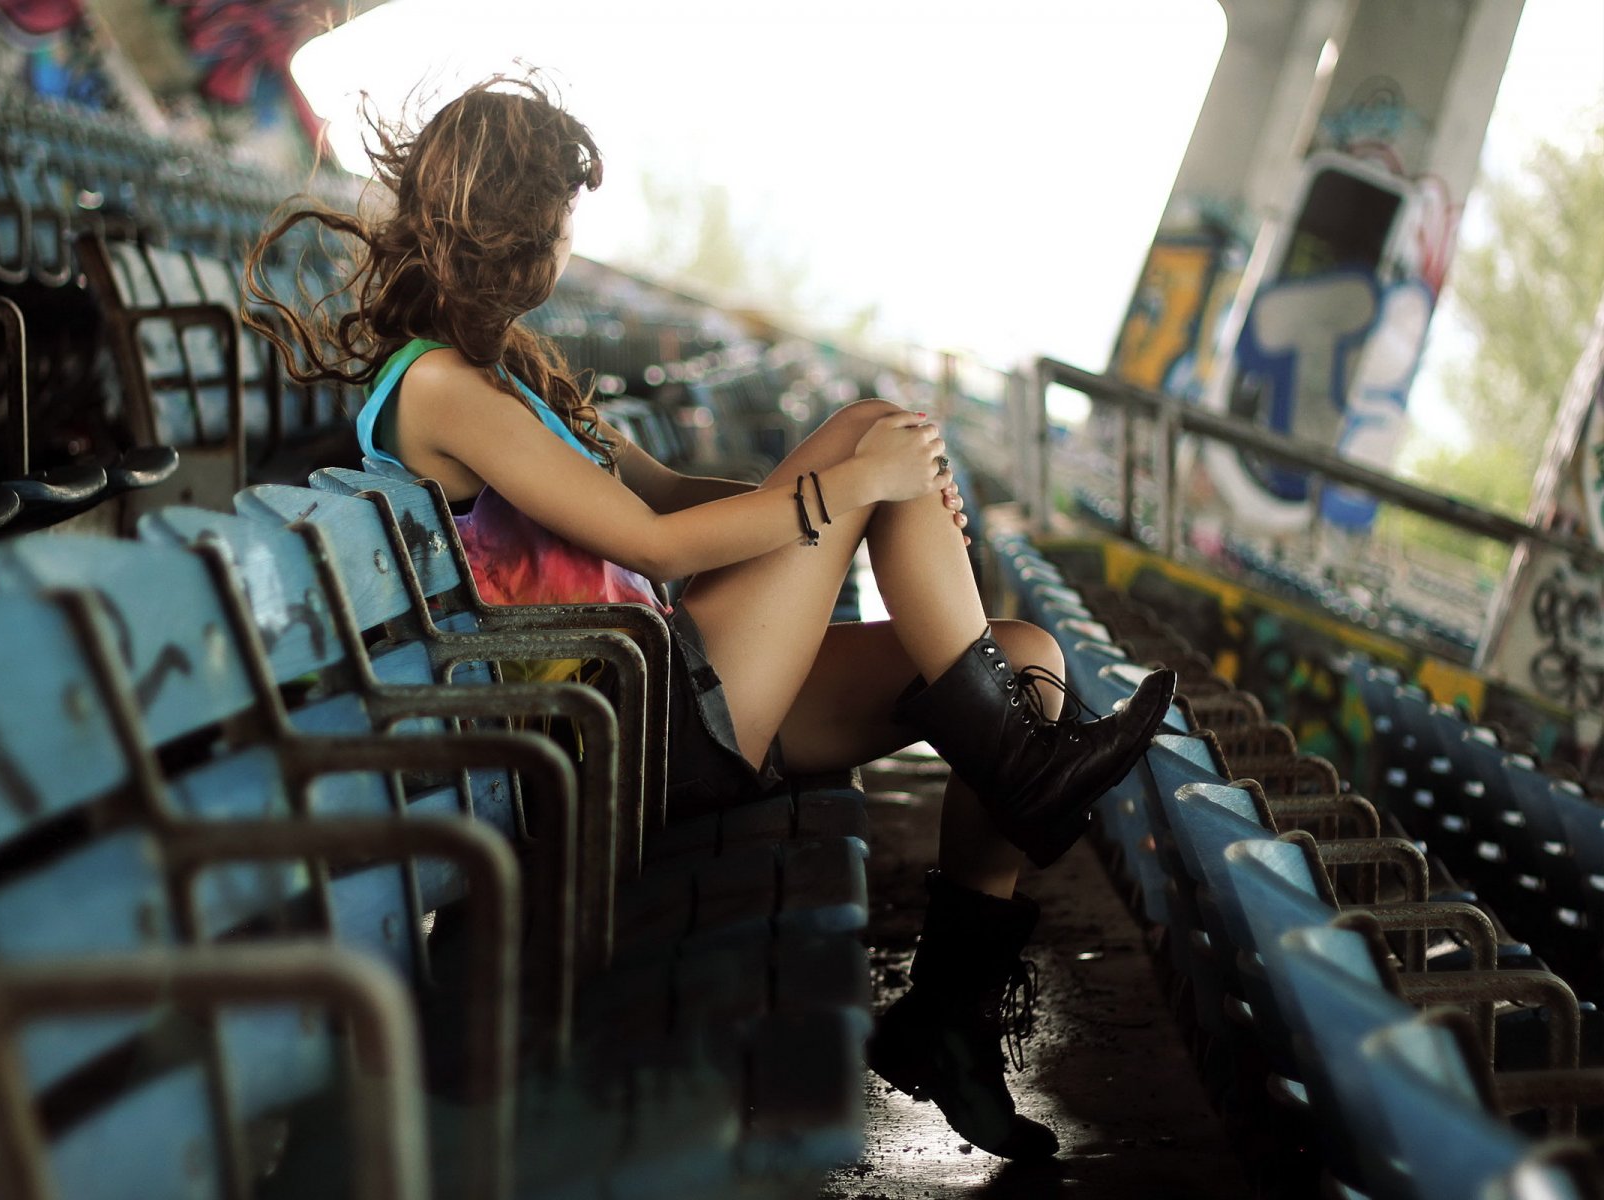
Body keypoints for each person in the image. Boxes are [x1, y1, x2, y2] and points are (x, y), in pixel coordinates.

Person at [246, 76, 1176, 1162]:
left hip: (672, 687)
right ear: (511, 228)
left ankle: (948, 1021)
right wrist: (855, 478)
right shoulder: (441, 389)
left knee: (1028, 657)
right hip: (633, 730)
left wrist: (866, 483)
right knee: (876, 434)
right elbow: (653, 550)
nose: (564, 246)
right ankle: (1028, 773)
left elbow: (675, 498)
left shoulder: (507, 369)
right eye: (557, 223)